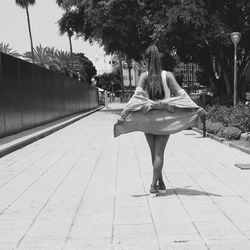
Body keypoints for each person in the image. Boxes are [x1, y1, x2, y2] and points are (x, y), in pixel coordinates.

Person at [116, 45, 206, 196]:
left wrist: (123, 114)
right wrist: (195, 107)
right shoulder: (168, 75)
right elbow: (182, 95)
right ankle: (154, 185)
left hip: (148, 118)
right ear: (160, 59)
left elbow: (136, 97)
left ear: (146, 60)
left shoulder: (144, 76)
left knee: (153, 154)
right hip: (165, 119)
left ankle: (159, 183)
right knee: (159, 154)